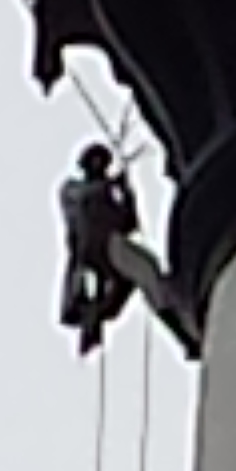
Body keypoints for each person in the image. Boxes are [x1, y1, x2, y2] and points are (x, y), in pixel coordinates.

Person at [57, 144, 144, 354]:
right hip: (87, 248)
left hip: (109, 247)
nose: (99, 166)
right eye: (95, 161)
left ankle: (97, 315)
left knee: (127, 279)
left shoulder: (108, 194)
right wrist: (110, 185)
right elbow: (81, 200)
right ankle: (90, 315)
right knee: (84, 285)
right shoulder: (72, 188)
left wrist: (127, 194)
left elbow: (129, 223)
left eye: (102, 162)